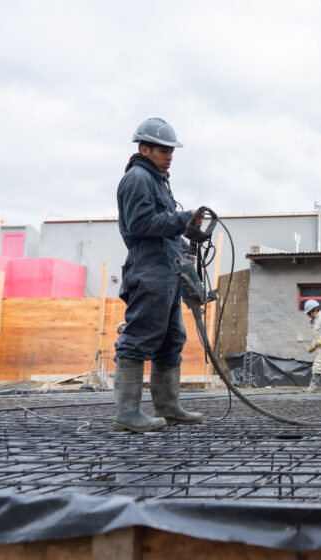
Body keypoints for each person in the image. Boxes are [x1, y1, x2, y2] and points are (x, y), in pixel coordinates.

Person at [113, 117, 204, 433]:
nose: (169, 156)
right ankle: (127, 414)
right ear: (144, 148)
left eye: (171, 151)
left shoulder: (155, 180)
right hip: (149, 269)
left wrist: (185, 235)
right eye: (163, 150)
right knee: (139, 338)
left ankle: (168, 408)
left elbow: (162, 229)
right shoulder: (138, 178)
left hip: (165, 269)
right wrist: (182, 219)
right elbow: (140, 225)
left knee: (171, 339)